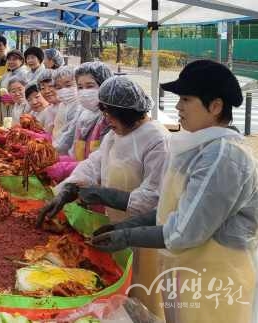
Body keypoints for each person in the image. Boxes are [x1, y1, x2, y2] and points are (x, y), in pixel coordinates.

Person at [90, 60, 258, 323]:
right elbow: (170, 209)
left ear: (215, 106)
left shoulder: (222, 158)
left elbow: (183, 232)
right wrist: (128, 225)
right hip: (188, 272)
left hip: (217, 282)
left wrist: (128, 236)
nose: (177, 107)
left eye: (185, 99)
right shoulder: (197, 149)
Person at [38, 76, 170, 316]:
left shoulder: (156, 139)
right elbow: (93, 164)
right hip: (115, 228)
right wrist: (66, 190)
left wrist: (105, 195)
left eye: (110, 114)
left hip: (146, 235)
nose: (106, 120)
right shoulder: (114, 135)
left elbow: (154, 197)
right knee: (119, 296)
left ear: (127, 112)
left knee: (144, 295)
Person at [51, 65, 81, 155]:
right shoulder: (63, 105)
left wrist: (54, 150)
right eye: (59, 87)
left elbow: (69, 136)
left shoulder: (79, 106)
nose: (64, 90)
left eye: (68, 85)